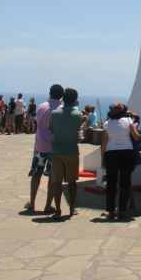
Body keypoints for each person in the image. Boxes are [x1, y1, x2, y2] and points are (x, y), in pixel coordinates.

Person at [26, 84, 64, 214]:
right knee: (52, 177)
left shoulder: (41, 106)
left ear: (50, 93)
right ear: (62, 95)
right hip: (54, 148)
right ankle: (48, 205)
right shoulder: (61, 109)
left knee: (36, 174)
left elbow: (37, 123)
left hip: (40, 145)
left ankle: (32, 203)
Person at [101, 103, 141, 221]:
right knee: (125, 183)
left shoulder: (106, 123)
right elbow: (136, 137)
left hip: (111, 154)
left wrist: (103, 158)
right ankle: (122, 211)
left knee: (111, 184)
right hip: (126, 153)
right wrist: (135, 125)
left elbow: (104, 143)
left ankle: (111, 212)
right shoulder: (128, 120)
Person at [49, 87, 82, 218]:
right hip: (72, 151)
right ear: (75, 100)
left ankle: (57, 209)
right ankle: (72, 208)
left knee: (57, 182)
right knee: (72, 182)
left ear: (63, 98)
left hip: (56, 151)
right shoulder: (78, 115)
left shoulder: (54, 113)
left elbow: (50, 129)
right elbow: (79, 132)